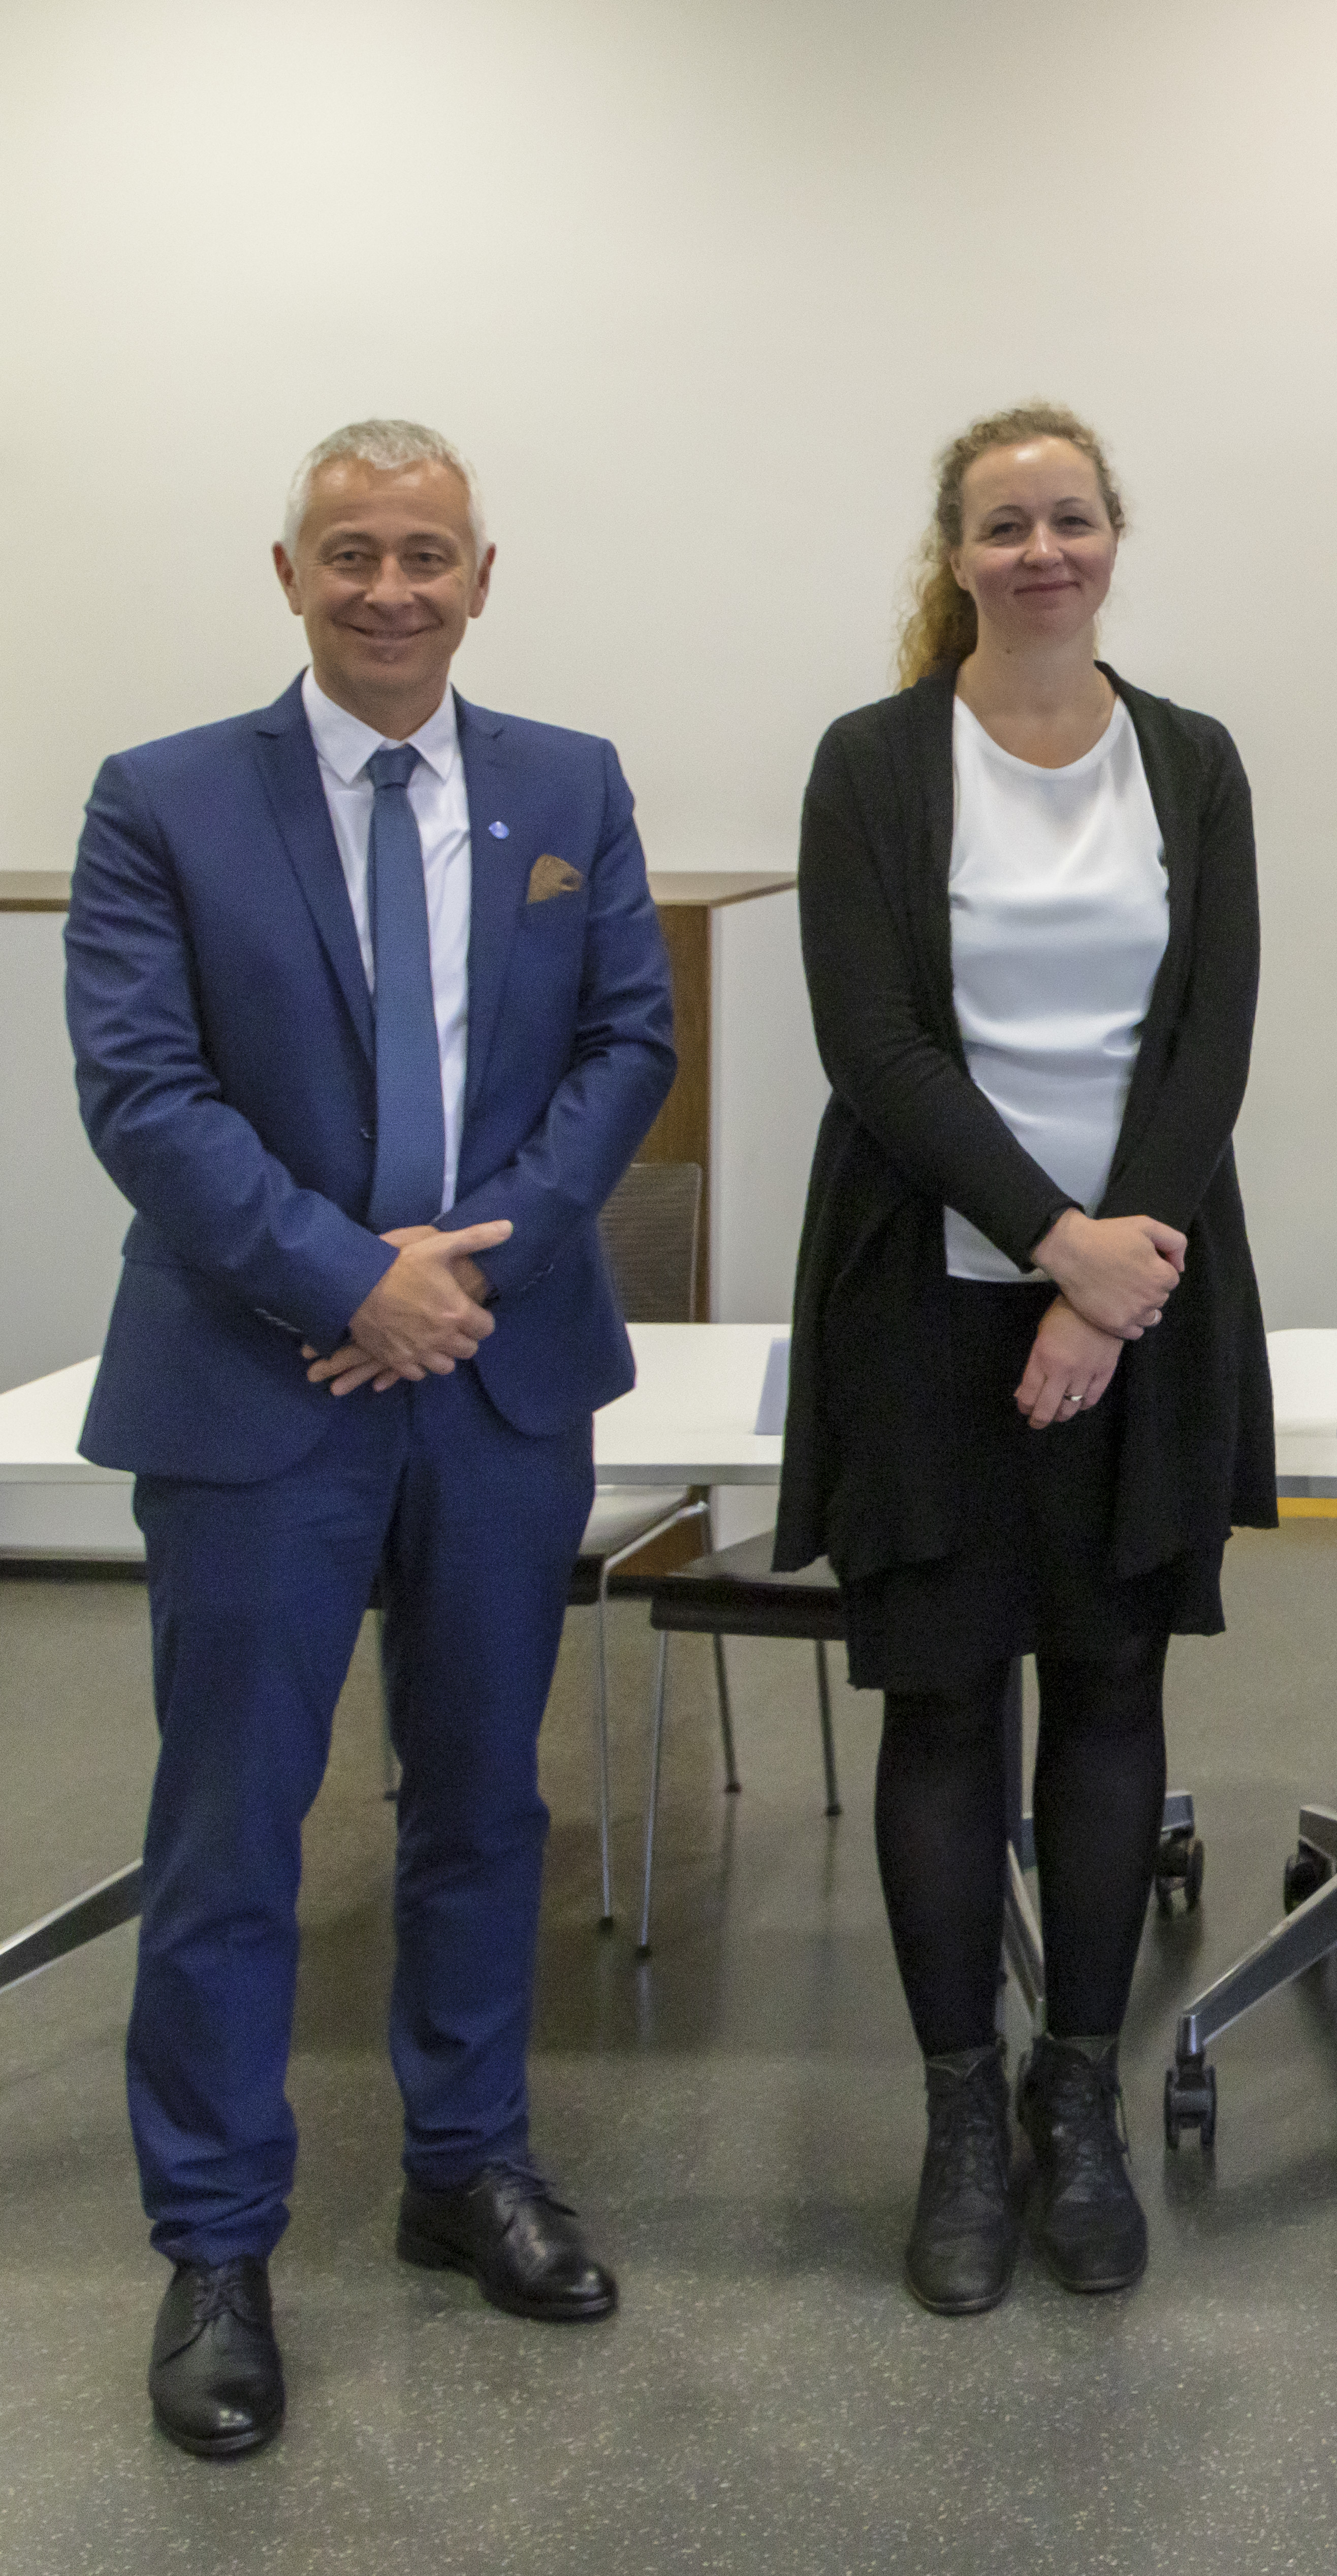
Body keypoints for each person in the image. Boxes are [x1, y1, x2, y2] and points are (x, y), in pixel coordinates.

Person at [67, 420, 675, 2458]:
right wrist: (351, 1280)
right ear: (289, 571)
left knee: (485, 1801)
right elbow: (144, 1091)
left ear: (484, 575)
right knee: (234, 1827)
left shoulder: (569, 783)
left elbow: (626, 1047)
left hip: (497, 1377)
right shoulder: (161, 800)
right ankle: (220, 2239)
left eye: (428, 554)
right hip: (265, 1388)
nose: (392, 588)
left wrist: (468, 1269)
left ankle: (462, 2166)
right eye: (354, 554)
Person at [776, 402, 1271, 2318]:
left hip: (1141, 1294)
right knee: (942, 1702)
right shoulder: (873, 764)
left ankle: (1083, 2097)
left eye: (1070, 519)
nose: (1041, 550)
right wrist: (1047, 1244)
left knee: (1110, 1679)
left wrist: (1104, 1278)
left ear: (1113, 538)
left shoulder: (1196, 761)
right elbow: (873, 1043)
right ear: (957, 551)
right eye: (1005, 524)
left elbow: (1208, 1039)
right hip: (926, 1300)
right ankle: (960, 2116)